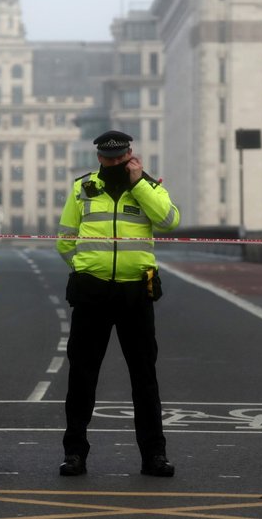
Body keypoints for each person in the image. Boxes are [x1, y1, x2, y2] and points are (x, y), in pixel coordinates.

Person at [55, 130, 181, 478]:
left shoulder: (149, 187)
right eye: (109, 158)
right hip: (91, 292)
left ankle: (154, 455)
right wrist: (84, 267)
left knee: (144, 378)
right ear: (99, 158)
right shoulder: (82, 188)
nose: (114, 163)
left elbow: (170, 221)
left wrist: (140, 183)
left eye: (120, 157)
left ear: (131, 155)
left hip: (135, 293)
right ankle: (74, 454)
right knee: (82, 377)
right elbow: (65, 239)